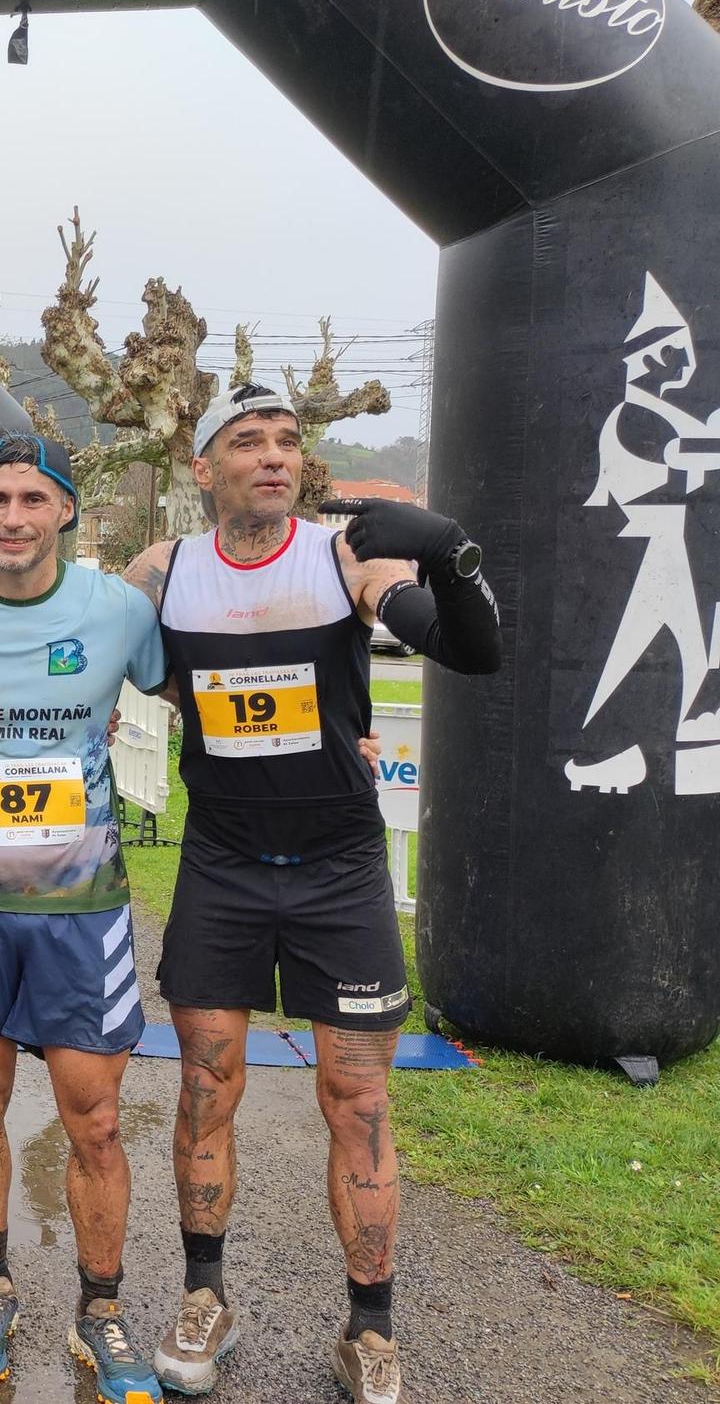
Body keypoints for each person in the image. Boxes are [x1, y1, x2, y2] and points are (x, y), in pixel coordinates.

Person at [113, 383, 502, 1404]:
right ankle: (206, 1297)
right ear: (202, 468)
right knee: (204, 1088)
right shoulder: (160, 571)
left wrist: (451, 552)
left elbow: (471, 648)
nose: (275, 457)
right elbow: (63, 646)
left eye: (288, 440)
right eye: (247, 441)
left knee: (357, 1099)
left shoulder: (341, 558)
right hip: (219, 866)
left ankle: (367, 1329)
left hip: (337, 871)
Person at [0, 434, 169, 1400]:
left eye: (32, 499)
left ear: (64, 510)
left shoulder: (118, 612)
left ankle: (101, 1309)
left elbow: (205, 677)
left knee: (92, 1120)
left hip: (79, 908)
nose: (12, 518)